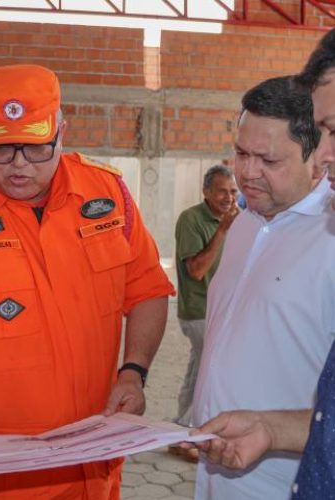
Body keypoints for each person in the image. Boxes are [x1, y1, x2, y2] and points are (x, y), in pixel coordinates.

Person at [0, 64, 175, 500]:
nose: (19, 166)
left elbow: (148, 290)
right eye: (1, 150)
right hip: (4, 466)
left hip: (96, 453)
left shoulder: (108, 194)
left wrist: (133, 372)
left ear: (62, 130)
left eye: (37, 148)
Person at [191, 29, 335, 500]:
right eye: (240, 153)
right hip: (216, 470)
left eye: (267, 159)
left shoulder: (328, 239)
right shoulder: (245, 224)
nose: (247, 172)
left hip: (286, 479)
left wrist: (273, 431)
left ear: (315, 155)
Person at [173, 164, 238, 428]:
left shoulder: (238, 218)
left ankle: (182, 423)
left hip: (226, 310)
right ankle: (190, 427)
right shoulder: (191, 219)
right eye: (221, 191)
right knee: (208, 369)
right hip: (199, 311)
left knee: (200, 366)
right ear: (206, 192)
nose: (229, 198)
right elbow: (197, 270)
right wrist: (222, 230)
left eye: (233, 191)